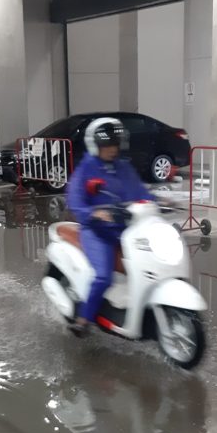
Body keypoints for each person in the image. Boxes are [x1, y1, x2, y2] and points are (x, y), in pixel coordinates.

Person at [65, 118, 152, 338]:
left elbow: (140, 192)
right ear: (96, 145)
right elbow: (75, 201)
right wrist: (93, 213)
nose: (112, 150)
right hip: (96, 231)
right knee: (104, 276)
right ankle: (84, 319)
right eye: (107, 145)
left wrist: (159, 202)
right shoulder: (85, 169)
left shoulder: (123, 167)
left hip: (125, 228)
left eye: (115, 145)